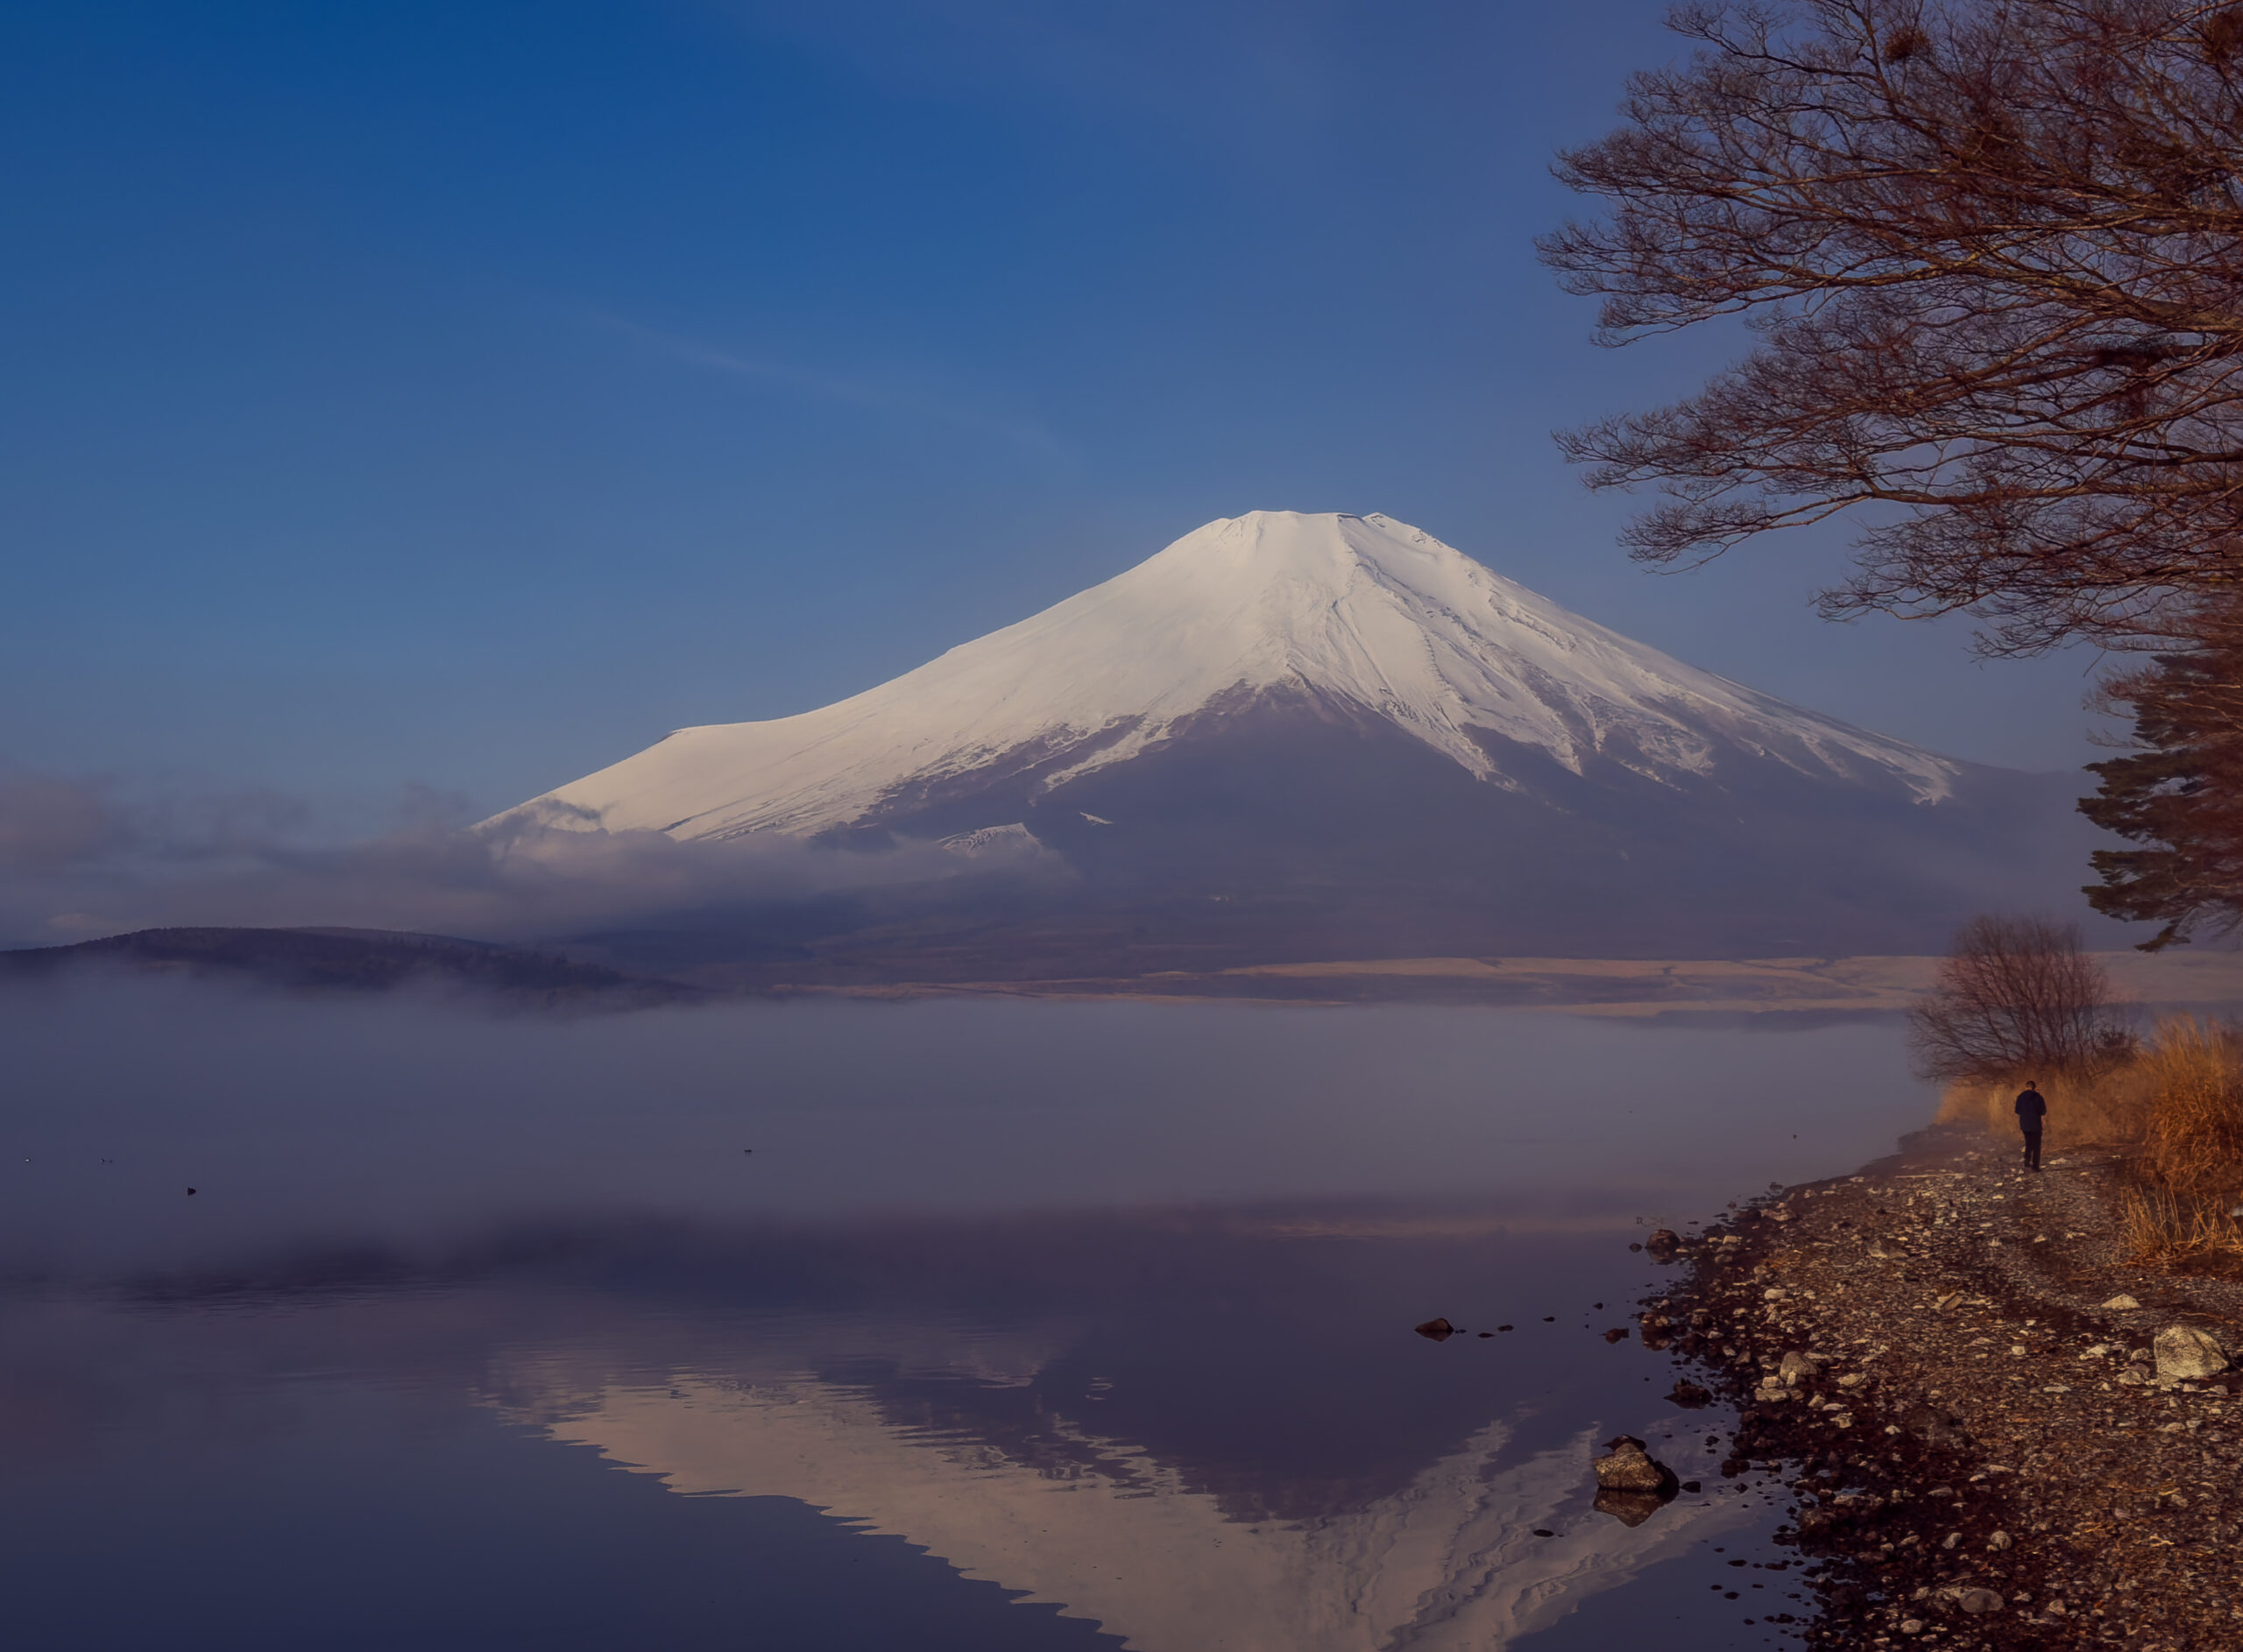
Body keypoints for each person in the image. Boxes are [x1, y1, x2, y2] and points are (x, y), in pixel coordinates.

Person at [2013, 1081, 2048, 1171]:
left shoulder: (2020, 1097)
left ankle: (2027, 1161)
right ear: (2034, 1087)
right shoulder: (2038, 1097)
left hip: (2024, 1125)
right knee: (2037, 1145)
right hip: (2035, 1124)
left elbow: (2017, 1111)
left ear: (2026, 1087)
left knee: (2028, 1142)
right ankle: (2035, 1166)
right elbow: (2043, 1111)